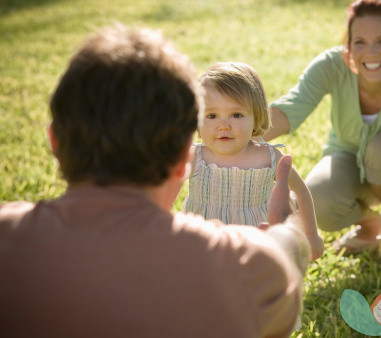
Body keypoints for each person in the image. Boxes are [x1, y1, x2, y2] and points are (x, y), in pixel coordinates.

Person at [0, 25, 311, 337]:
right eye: (212, 116)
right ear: (182, 159)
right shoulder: (247, 268)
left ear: (54, 142)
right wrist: (288, 234)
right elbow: (280, 284)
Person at [264, 0, 381, 272]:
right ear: (349, 45)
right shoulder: (332, 65)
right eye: (359, 42)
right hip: (350, 159)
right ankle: (372, 224)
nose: (370, 52)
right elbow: (292, 107)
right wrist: (240, 135)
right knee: (317, 200)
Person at [182, 62, 324, 261]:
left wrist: (311, 235)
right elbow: (161, 190)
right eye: (212, 115)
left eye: (236, 115)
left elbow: (300, 190)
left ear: (257, 118)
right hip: (205, 243)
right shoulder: (195, 157)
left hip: (258, 242)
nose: (223, 125)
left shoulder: (269, 158)